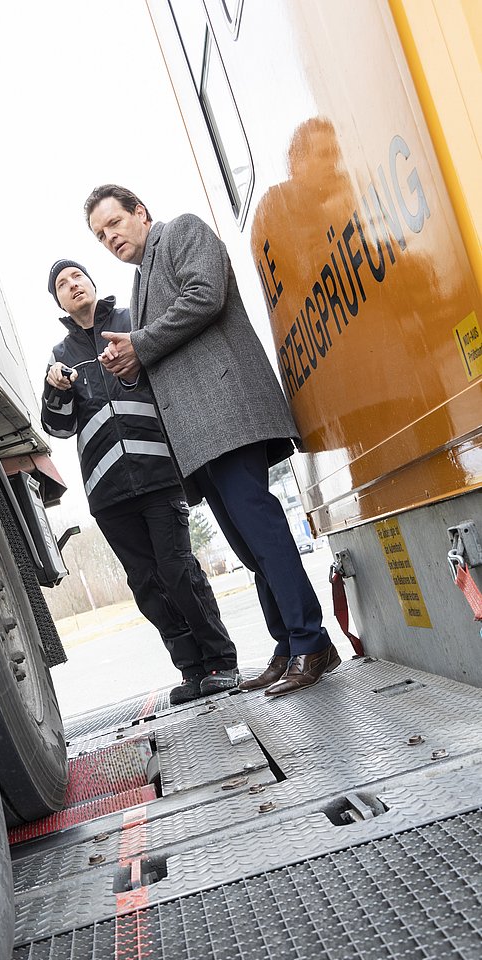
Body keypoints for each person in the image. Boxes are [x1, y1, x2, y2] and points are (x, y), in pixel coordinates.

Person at [83, 186, 340, 697]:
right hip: (199, 433)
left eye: (114, 223)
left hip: (227, 413)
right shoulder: (140, 283)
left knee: (261, 530)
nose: (109, 237)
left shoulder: (181, 232)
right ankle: (289, 643)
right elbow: (163, 350)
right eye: (99, 234)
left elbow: (206, 296)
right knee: (247, 545)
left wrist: (141, 343)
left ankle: (313, 641)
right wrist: (130, 364)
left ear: (141, 213)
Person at [42, 258, 239, 704]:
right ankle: (191, 669)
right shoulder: (60, 357)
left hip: (158, 473)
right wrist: (55, 389)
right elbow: (58, 428)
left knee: (178, 570)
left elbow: (168, 380)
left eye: (77, 276)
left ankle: (221, 661)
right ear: (57, 300)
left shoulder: (133, 320)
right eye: (62, 284)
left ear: (92, 283)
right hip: (107, 491)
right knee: (146, 584)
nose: (72, 285)